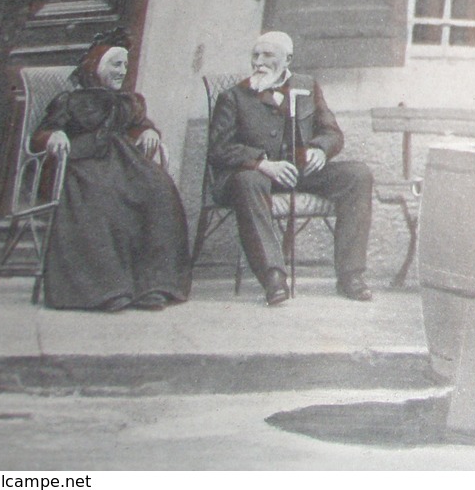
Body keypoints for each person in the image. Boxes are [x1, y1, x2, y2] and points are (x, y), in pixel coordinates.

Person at [208, 31, 374, 306]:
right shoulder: (234, 97)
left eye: (268, 55)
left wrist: (320, 148)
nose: (259, 62)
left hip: (299, 173)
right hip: (253, 176)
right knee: (248, 181)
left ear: (288, 59)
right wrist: (263, 164)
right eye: (255, 55)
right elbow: (219, 149)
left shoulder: (307, 87)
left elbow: (332, 132)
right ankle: (273, 276)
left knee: (357, 175)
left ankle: (350, 275)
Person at [32, 29, 190, 311]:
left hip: (125, 163)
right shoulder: (71, 100)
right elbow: (43, 131)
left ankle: (153, 285)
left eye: (125, 66)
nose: (122, 71)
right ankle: (105, 289)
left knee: (160, 192)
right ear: (96, 65)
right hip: (83, 164)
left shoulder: (128, 101)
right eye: (116, 64)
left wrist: (148, 130)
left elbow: (139, 123)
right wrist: (54, 135)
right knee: (101, 198)